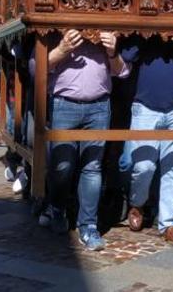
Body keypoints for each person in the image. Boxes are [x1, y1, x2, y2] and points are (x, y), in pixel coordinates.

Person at [37, 29, 129, 252]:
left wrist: (112, 52)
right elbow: (38, 67)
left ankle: (88, 225)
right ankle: (57, 208)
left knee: (92, 167)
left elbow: (122, 72)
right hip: (64, 104)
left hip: (99, 106)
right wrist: (62, 49)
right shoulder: (53, 30)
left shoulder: (110, 31)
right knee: (62, 166)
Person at [120, 35, 173, 246]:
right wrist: (149, 32)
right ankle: (137, 203)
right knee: (144, 166)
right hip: (146, 107)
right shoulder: (146, 32)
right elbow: (127, 54)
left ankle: (168, 223)